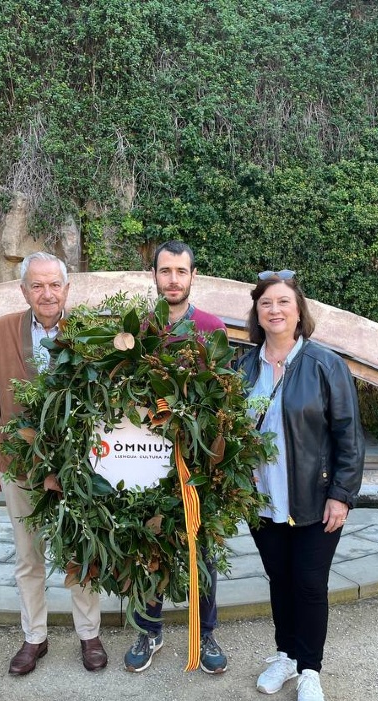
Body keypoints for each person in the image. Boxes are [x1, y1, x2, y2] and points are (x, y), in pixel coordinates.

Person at [234, 269, 365, 701]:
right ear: (257, 311)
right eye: (266, 303)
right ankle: (286, 656)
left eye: (283, 302)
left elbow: (348, 435)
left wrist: (342, 493)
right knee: (280, 580)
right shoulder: (243, 367)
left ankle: (310, 670)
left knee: (309, 584)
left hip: (315, 498)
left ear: (298, 310)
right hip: (262, 499)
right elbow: (229, 433)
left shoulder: (325, 365)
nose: (274, 310)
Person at [0, 252, 107, 676]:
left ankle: (89, 634)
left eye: (54, 285)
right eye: (37, 285)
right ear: (24, 290)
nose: (46, 293)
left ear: (67, 289)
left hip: (78, 468)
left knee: (83, 549)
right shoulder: (1, 333)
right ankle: (35, 636)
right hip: (19, 463)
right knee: (29, 556)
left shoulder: (87, 333)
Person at [122, 240, 228, 675]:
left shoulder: (210, 326)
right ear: (154, 276)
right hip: (149, 463)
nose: (172, 280)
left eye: (180, 272)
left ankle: (204, 634)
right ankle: (149, 629)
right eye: (165, 271)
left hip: (197, 462)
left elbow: (225, 398)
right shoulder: (139, 329)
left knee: (200, 545)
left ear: (192, 275)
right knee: (152, 545)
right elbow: (124, 396)